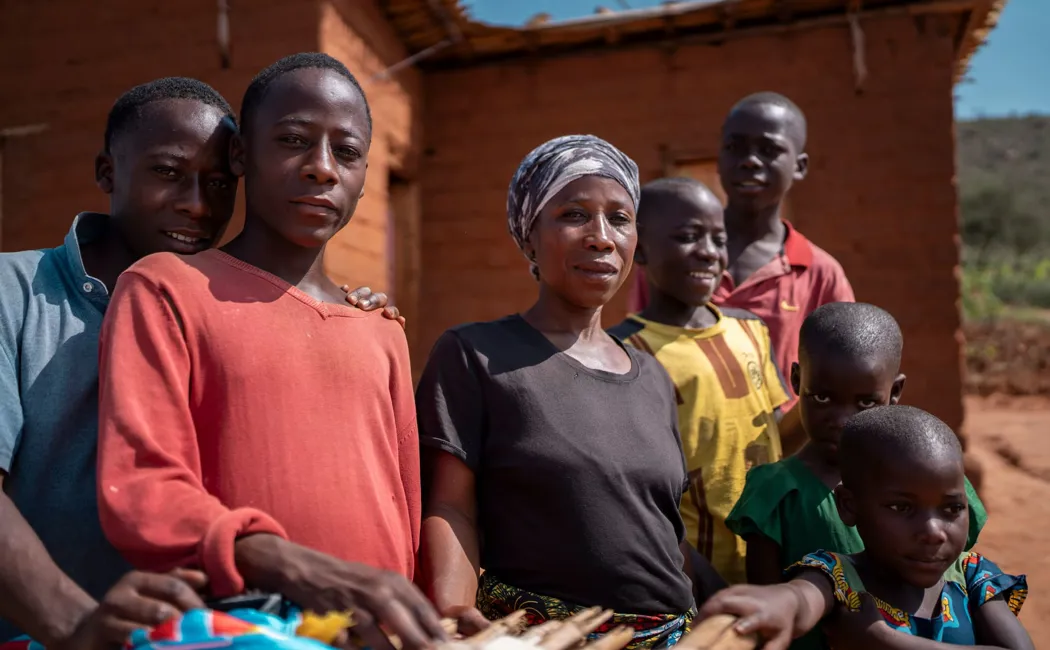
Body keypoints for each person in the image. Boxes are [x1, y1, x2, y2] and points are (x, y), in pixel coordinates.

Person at [0, 77, 396, 646]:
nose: (196, 205)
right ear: (108, 173)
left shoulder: (223, 313)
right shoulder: (15, 293)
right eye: (167, 173)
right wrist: (73, 627)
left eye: (218, 183)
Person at [94, 55, 446, 650]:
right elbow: (144, 488)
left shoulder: (380, 328)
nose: (322, 169)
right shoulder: (167, 289)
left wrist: (426, 612)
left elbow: (405, 512)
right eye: (292, 141)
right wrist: (293, 565)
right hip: (243, 628)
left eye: (349, 152)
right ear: (239, 156)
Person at [416, 135, 696, 649]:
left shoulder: (653, 377)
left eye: (619, 218)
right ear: (529, 237)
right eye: (574, 215)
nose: (601, 237)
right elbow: (451, 508)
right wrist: (454, 616)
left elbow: (660, 531)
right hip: (539, 639)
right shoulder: (476, 355)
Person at [724, 303, 987, 649]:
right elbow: (769, 611)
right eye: (822, 397)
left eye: (865, 403)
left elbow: (957, 580)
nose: (843, 419)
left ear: (894, 393)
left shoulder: (932, 485)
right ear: (797, 380)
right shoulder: (776, 493)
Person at [699, 406, 1032, 650]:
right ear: (849, 505)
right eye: (902, 507)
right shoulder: (838, 577)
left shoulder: (972, 578)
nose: (933, 531)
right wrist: (779, 602)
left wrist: (881, 640)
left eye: (951, 508)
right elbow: (800, 598)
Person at [608, 177, 789, 587]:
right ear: (639, 249)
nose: (708, 253)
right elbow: (632, 493)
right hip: (689, 577)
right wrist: (699, 580)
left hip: (776, 565)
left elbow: (775, 434)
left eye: (718, 238)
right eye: (688, 237)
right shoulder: (623, 351)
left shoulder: (752, 331)